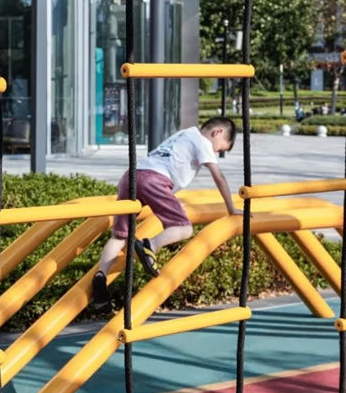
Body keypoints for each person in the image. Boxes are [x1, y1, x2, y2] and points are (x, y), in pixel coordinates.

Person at [92, 117, 244, 313]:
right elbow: (219, 177)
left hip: (131, 176)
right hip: (155, 181)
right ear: (218, 133)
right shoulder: (203, 141)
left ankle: (100, 277)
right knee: (183, 227)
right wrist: (231, 208)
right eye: (221, 149)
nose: (217, 152)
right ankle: (149, 245)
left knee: (120, 235)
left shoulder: (184, 133)